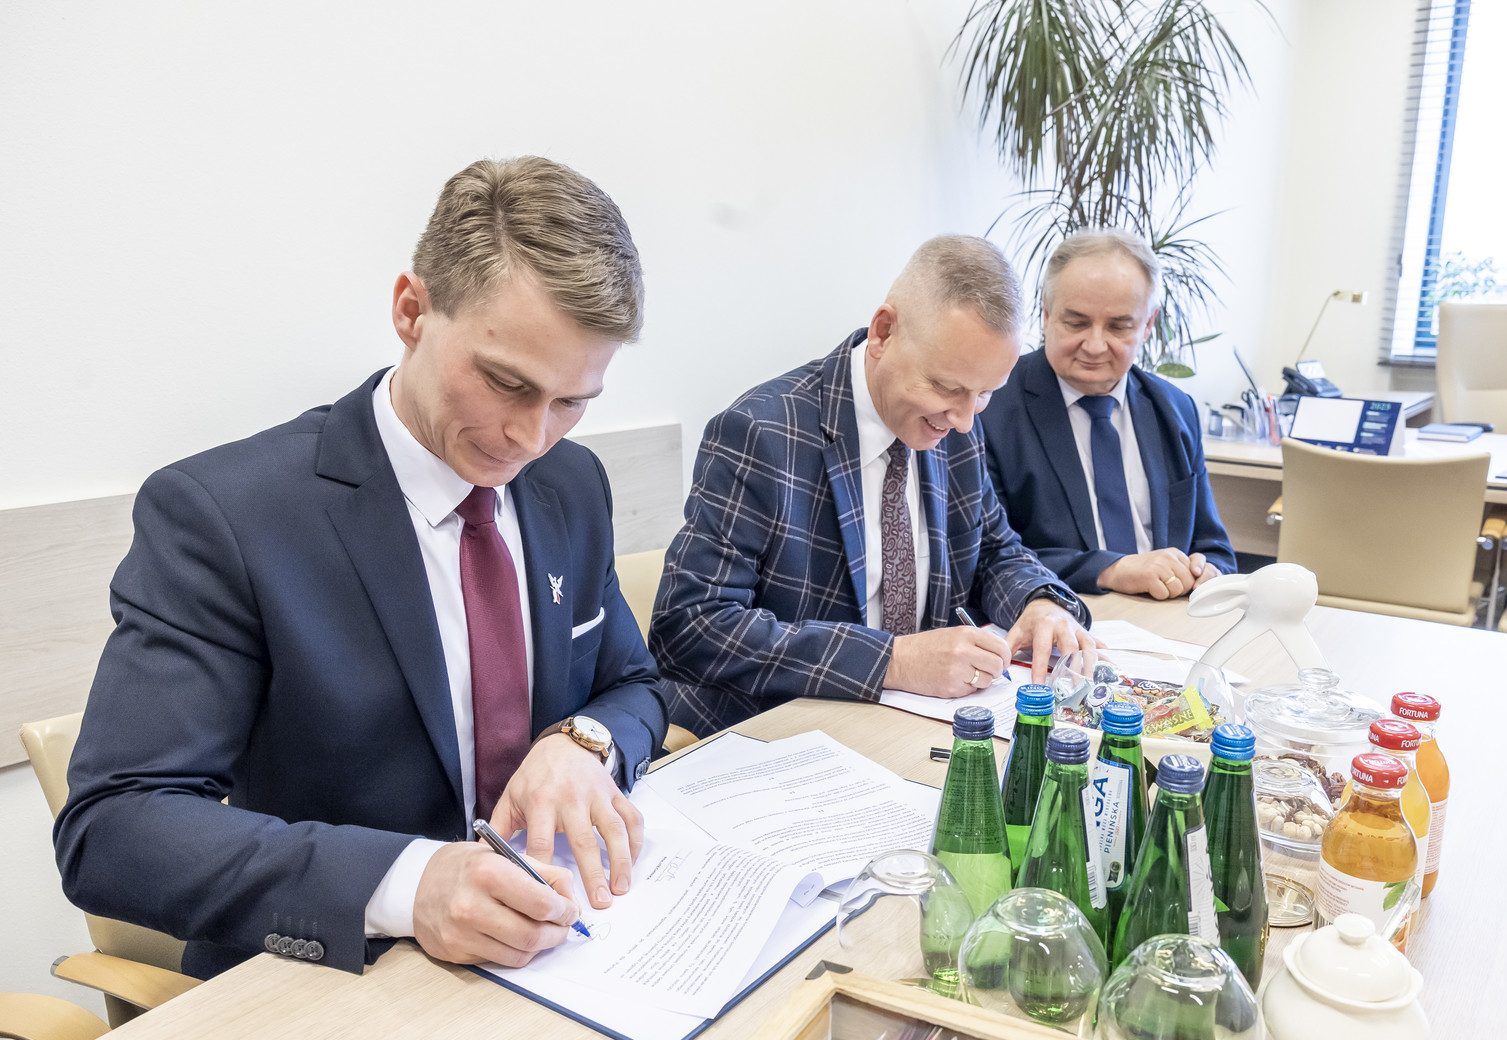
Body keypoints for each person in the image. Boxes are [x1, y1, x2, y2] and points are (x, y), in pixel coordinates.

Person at [54, 157, 667, 980]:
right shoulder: (227, 515)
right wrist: (409, 886)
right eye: (504, 383)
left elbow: (635, 685)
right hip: (338, 979)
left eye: (571, 401)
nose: (531, 438)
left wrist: (581, 743)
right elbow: (113, 829)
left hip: (556, 954)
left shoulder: (571, 484)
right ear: (411, 311)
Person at [650, 236, 1096, 737]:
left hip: (905, 729)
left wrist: (1039, 602)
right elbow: (690, 626)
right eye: (947, 387)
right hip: (772, 734)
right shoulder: (761, 432)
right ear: (884, 332)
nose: (965, 420)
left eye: (985, 394)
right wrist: (894, 660)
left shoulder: (956, 426)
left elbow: (993, 549)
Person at [980, 228, 1236, 599]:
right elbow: (989, 559)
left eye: (1119, 326)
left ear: (1147, 325)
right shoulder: (989, 408)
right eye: (1076, 323)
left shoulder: (1174, 409)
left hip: (1169, 617)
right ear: (1046, 315)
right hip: (1062, 613)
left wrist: (1206, 570)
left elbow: (1215, 548)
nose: (1095, 345)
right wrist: (1111, 570)